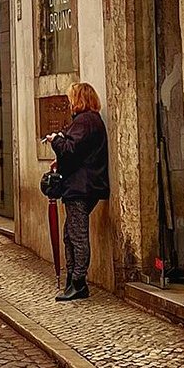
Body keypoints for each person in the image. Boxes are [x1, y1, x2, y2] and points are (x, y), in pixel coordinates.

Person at [44, 82, 109, 302]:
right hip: (82, 185)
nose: (69, 102)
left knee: (77, 236)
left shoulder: (86, 121)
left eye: (72, 98)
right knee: (70, 234)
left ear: (80, 99)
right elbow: (80, 152)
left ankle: (79, 282)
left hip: (82, 187)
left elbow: (70, 149)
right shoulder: (90, 121)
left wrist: (56, 141)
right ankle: (72, 279)